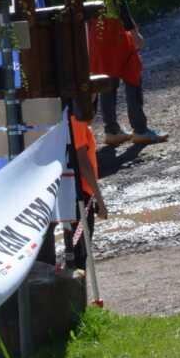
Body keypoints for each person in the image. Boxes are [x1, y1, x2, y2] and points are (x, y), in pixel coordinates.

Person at [82, 0, 168, 146]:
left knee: (107, 78)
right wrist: (134, 32)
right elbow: (117, 0)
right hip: (113, 27)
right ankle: (140, 130)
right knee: (132, 71)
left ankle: (112, 131)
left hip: (95, 28)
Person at [64, 113, 108, 270]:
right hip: (79, 194)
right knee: (79, 255)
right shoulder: (76, 120)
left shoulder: (71, 118)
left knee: (76, 253)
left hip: (74, 192)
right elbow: (83, 162)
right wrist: (100, 201)